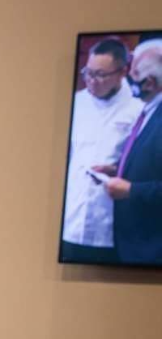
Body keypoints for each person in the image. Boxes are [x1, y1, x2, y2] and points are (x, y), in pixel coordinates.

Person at [62, 38, 143, 264]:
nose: (91, 81)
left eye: (100, 75)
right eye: (88, 72)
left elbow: (144, 165)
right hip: (70, 220)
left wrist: (117, 169)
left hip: (110, 224)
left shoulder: (138, 110)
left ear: (122, 72)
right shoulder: (76, 103)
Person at [100, 39, 162, 264]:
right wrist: (117, 169)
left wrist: (131, 190)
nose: (128, 78)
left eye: (133, 73)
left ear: (150, 83)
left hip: (150, 252)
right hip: (129, 246)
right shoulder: (149, 110)